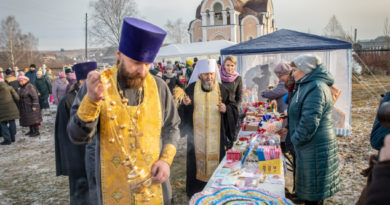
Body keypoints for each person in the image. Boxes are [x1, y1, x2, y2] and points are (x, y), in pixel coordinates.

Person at [67, 17, 180, 204]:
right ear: (119, 55)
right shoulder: (97, 86)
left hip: (153, 188)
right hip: (111, 189)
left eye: (147, 64)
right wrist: (92, 101)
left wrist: (166, 160)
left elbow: (172, 127)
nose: (142, 71)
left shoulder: (159, 87)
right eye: (136, 63)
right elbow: (77, 136)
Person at [179, 59, 238, 197]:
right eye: (206, 74)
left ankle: (216, 190)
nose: (209, 77)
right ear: (200, 74)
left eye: (211, 74)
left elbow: (234, 108)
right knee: (195, 165)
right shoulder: (191, 89)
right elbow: (182, 111)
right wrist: (186, 105)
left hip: (217, 137)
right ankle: (196, 190)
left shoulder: (222, 89)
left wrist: (226, 109)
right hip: (196, 138)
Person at [288, 54, 340, 204]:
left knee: (315, 193)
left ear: (306, 70)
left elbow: (309, 122)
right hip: (309, 146)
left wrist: (295, 139)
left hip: (315, 146)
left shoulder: (316, 87)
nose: (292, 74)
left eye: (294, 70)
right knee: (310, 190)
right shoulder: (305, 84)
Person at [55, 62, 97, 205]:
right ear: (81, 80)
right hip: (77, 156)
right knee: (80, 194)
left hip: (93, 155)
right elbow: (63, 135)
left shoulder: (96, 98)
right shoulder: (68, 101)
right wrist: (72, 161)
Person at [220, 56, 242, 138]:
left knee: (231, 135)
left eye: (232, 65)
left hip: (232, 111)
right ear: (223, 65)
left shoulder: (238, 78)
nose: (230, 68)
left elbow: (239, 97)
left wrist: (235, 108)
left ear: (235, 66)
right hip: (220, 110)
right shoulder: (218, 78)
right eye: (227, 65)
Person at [0, 78, 19, 145]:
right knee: (12, 122)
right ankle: (12, 137)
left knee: (3, 124)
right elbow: (17, 97)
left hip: (1, 110)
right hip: (11, 108)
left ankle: (7, 139)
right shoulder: (9, 88)